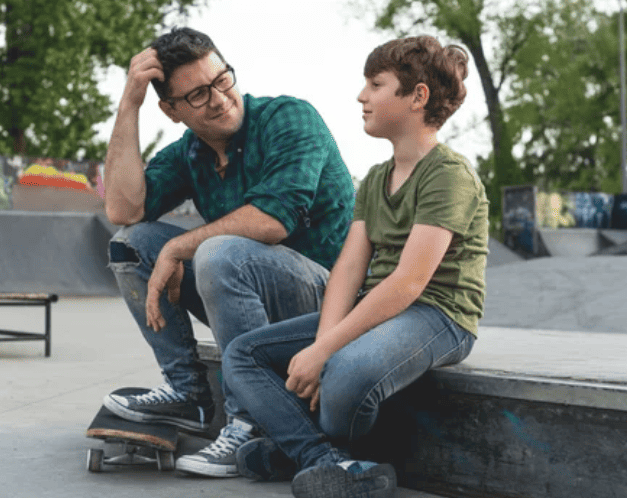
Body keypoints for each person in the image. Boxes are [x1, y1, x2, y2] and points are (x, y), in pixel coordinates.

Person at [222, 35, 488, 498]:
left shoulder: (449, 174)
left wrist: (325, 354)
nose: (361, 95)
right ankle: (326, 460)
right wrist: (324, 342)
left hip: (439, 314)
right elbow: (348, 268)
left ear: (417, 96)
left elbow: (409, 282)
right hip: (378, 307)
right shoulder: (377, 179)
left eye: (375, 84)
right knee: (242, 355)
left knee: (344, 372)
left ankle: (301, 451)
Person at [101, 27, 355, 477]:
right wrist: (129, 104)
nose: (220, 99)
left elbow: (272, 221)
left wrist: (179, 247)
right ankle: (188, 396)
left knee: (218, 251)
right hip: (247, 293)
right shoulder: (190, 153)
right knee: (131, 245)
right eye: (198, 95)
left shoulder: (289, 118)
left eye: (223, 80)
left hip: (329, 303)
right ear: (172, 111)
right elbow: (124, 208)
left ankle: (251, 421)